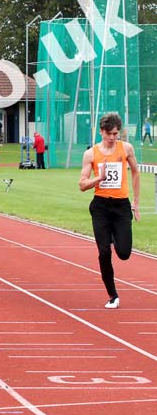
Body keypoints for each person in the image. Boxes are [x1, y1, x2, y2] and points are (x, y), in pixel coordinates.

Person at [79, 113, 140, 309]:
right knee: (104, 252)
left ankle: (114, 235)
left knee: (123, 253)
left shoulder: (126, 149)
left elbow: (135, 172)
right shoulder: (91, 154)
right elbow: (82, 184)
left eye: (115, 134)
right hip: (101, 207)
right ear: (101, 132)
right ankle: (112, 295)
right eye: (109, 134)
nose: (113, 138)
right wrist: (99, 178)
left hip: (121, 206)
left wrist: (136, 203)